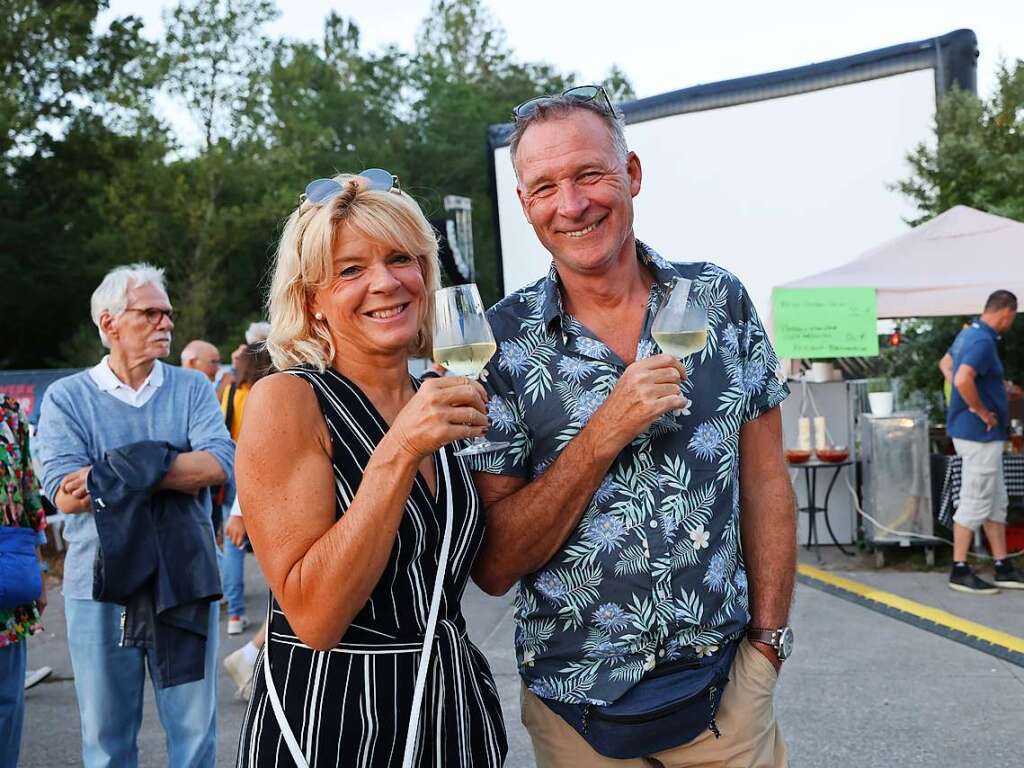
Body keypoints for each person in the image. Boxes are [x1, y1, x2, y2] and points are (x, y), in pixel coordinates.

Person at [469, 86, 794, 767]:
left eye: (589, 174)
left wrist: (768, 644)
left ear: (632, 174)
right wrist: (605, 428)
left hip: (724, 698)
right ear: (526, 205)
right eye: (545, 187)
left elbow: (767, 482)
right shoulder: (499, 344)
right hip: (576, 715)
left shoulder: (718, 300)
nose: (572, 203)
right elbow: (495, 566)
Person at [234, 171, 507, 766]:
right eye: (351, 270)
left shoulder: (435, 394)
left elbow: (485, 568)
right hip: (337, 724)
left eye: (401, 258)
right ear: (312, 301)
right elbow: (315, 617)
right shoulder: (288, 401)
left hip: (451, 717)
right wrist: (399, 450)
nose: (386, 282)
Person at [34, 263, 234, 768]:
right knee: (106, 739)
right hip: (99, 584)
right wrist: (168, 461)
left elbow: (218, 463)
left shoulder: (191, 388)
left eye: (168, 314)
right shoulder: (67, 397)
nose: (166, 323)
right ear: (109, 322)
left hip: (184, 577)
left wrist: (114, 470)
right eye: (150, 313)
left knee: (194, 736)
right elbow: (66, 494)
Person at [943, 290, 1024, 593]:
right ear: (1006, 312)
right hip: (980, 435)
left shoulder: (968, 335)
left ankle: (1002, 565)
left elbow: (946, 366)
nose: (1011, 322)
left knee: (994, 500)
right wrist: (980, 410)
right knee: (975, 499)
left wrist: (996, 389)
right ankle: (959, 569)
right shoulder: (982, 340)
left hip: (976, 434)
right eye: (1013, 317)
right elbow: (962, 378)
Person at [0, 395, 47, 768]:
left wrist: (39, 566)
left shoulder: (7, 411)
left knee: (5, 707)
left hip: (7, 579)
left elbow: (27, 489)